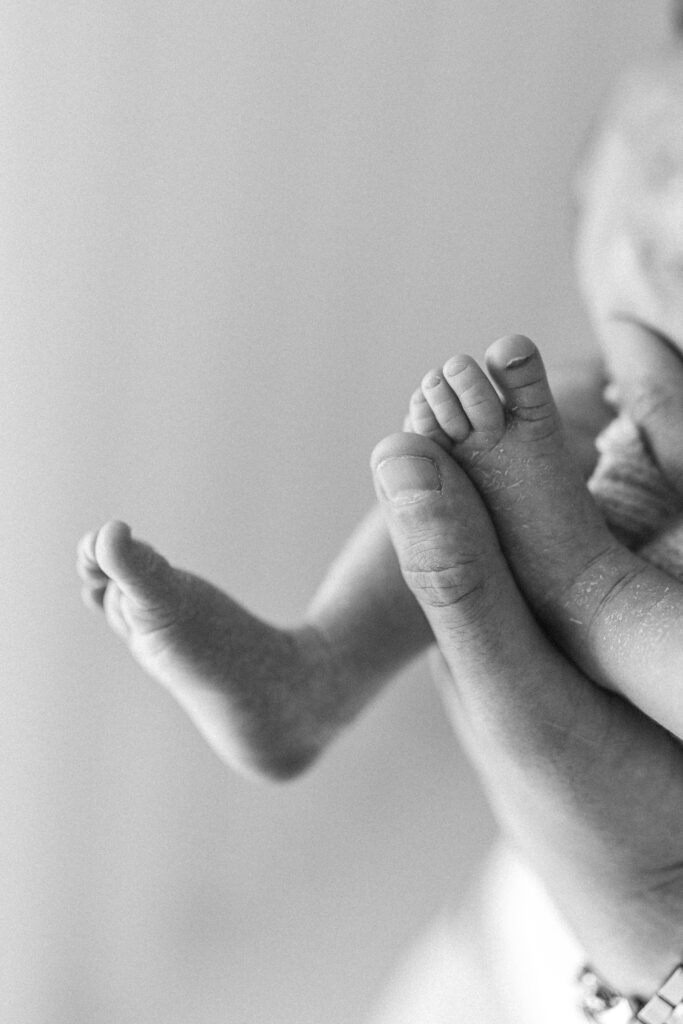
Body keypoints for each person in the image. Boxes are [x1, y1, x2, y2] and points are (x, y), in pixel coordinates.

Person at [78, 24, 683, 1014]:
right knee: (514, 439)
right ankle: (315, 670)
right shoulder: (598, 408)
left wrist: (590, 586)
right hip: (514, 952)